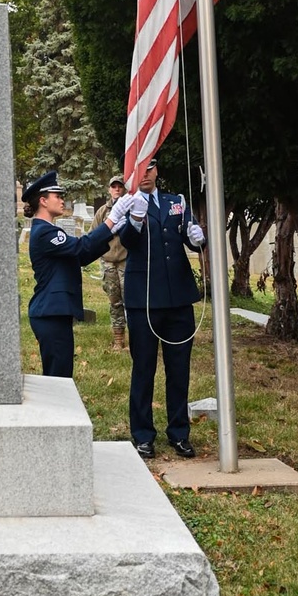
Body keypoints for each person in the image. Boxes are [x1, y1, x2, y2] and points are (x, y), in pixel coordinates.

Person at [119, 153, 206, 459]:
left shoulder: (175, 201)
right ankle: (143, 435)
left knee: (179, 368)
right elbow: (127, 242)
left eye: (151, 166)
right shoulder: (127, 202)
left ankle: (179, 433)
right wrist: (136, 219)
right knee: (144, 368)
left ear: (157, 170)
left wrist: (198, 238)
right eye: (140, 168)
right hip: (144, 297)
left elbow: (189, 234)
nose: (145, 173)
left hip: (178, 297)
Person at [24, 171, 132, 377]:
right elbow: (80, 247)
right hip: (49, 314)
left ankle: (58, 409)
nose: (62, 200)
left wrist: (113, 230)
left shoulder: (49, 230)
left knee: (61, 373)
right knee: (58, 377)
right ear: (43, 201)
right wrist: (111, 220)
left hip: (54, 313)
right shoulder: (45, 232)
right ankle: (56, 410)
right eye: (57, 196)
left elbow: (81, 256)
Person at [92, 175, 129, 351]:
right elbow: (93, 235)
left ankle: (136, 337)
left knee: (130, 300)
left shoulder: (131, 209)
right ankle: (118, 339)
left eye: (119, 186)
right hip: (108, 262)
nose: (116, 189)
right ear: (109, 190)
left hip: (126, 260)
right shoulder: (102, 211)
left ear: (124, 189)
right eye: (113, 186)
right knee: (114, 301)